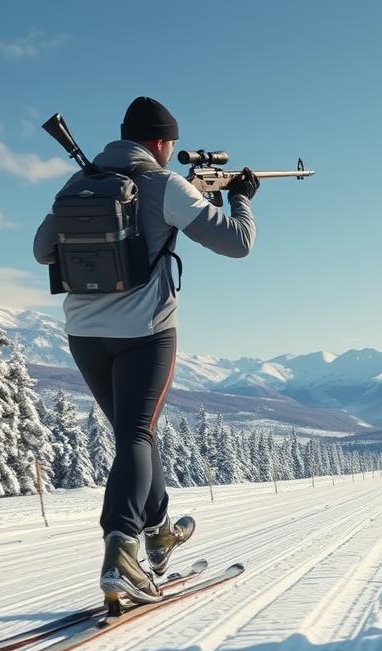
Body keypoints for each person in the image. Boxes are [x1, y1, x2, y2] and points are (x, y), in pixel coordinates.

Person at [33, 96, 259, 604]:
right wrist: (241, 197)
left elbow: (42, 249)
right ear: (159, 143)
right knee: (137, 433)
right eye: (171, 145)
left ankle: (157, 531)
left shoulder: (79, 181)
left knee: (135, 434)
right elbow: (237, 243)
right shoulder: (164, 185)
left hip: (84, 334)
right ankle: (121, 553)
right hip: (146, 332)